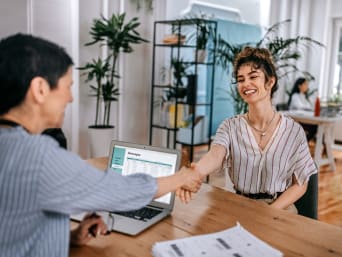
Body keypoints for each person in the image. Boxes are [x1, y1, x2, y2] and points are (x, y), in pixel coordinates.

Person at [0, 33, 201, 257]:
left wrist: (68, 237)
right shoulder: (36, 157)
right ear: (40, 89)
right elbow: (121, 191)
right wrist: (181, 178)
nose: (70, 98)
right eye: (68, 87)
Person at [177, 46, 317, 213]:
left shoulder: (293, 131)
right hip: (240, 207)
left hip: (281, 210)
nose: (245, 84)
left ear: (270, 82)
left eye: (253, 77)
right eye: (241, 79)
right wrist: (194, 173)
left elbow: (300, 184)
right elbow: (215, 155)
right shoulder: (230, 126)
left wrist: (271, 211)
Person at [288, 77, 317, 141]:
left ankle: (302, 144)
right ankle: (302, 144)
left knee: (316, 126)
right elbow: (300, 106)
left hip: (302, 119)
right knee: (315, 127)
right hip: (296, 121)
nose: (307, 86)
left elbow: (308, 106)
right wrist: (310, 108)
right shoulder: (295, 96)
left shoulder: (303, 96)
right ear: (299, 86)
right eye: (305, 84)